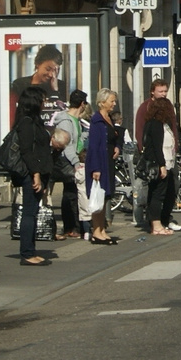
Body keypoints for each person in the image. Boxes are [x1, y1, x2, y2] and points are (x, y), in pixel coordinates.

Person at [13, 86, 55, 266]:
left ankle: (31, 250)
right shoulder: (26, 122)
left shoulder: (34, 121)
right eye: (41, 99)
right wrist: (36, 174)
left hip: (40, 171)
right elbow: (27, 152)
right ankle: (27, 253)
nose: (44, 103)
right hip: (32, 174)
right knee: (29, 213)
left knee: (33, 212)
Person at [141, 97, 181, 235]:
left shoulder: (160, 124)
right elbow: (157, 147)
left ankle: (160, 222)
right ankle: (156, 225)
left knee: (165, 192)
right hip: (160, 163)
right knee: (157, 194)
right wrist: (162, 165)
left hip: (167, 162)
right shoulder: (156, 124)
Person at [53, 91, 90, 237]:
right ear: (82, 104)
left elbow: (77, 139)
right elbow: (67, 145)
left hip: (74, 157)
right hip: (67, 160)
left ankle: (74, 226)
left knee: (72, 192)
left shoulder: (75, 120)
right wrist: (75, 163)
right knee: (71, 193)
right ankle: (71, 227)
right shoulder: (66, 121)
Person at [85, 89, 119, 245]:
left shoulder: (109, 118)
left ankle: (102, 229)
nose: (114, 104)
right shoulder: (97, 120)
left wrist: (117, 147)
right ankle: (96, 231)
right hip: (100, 162)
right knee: (98, 196)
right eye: (111, 101)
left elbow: (114, 137)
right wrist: (95, 168)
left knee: (105, 197)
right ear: (102, 102)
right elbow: (94, 146)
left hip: (109, 162)